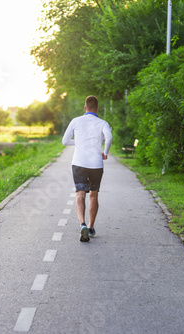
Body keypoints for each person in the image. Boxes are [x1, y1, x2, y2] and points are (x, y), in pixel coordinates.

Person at [62, 95, 113, 242]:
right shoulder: (103, 123)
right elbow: (108, 138)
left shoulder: (76, 121)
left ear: (85, 108)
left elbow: (65, 141)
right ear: (97, 109)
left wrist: (78, 143)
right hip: (96, 164)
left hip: (79, 163)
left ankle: (82, 224)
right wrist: (106, 152)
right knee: (93, 195)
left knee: (80, 194)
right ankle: (90, 227)